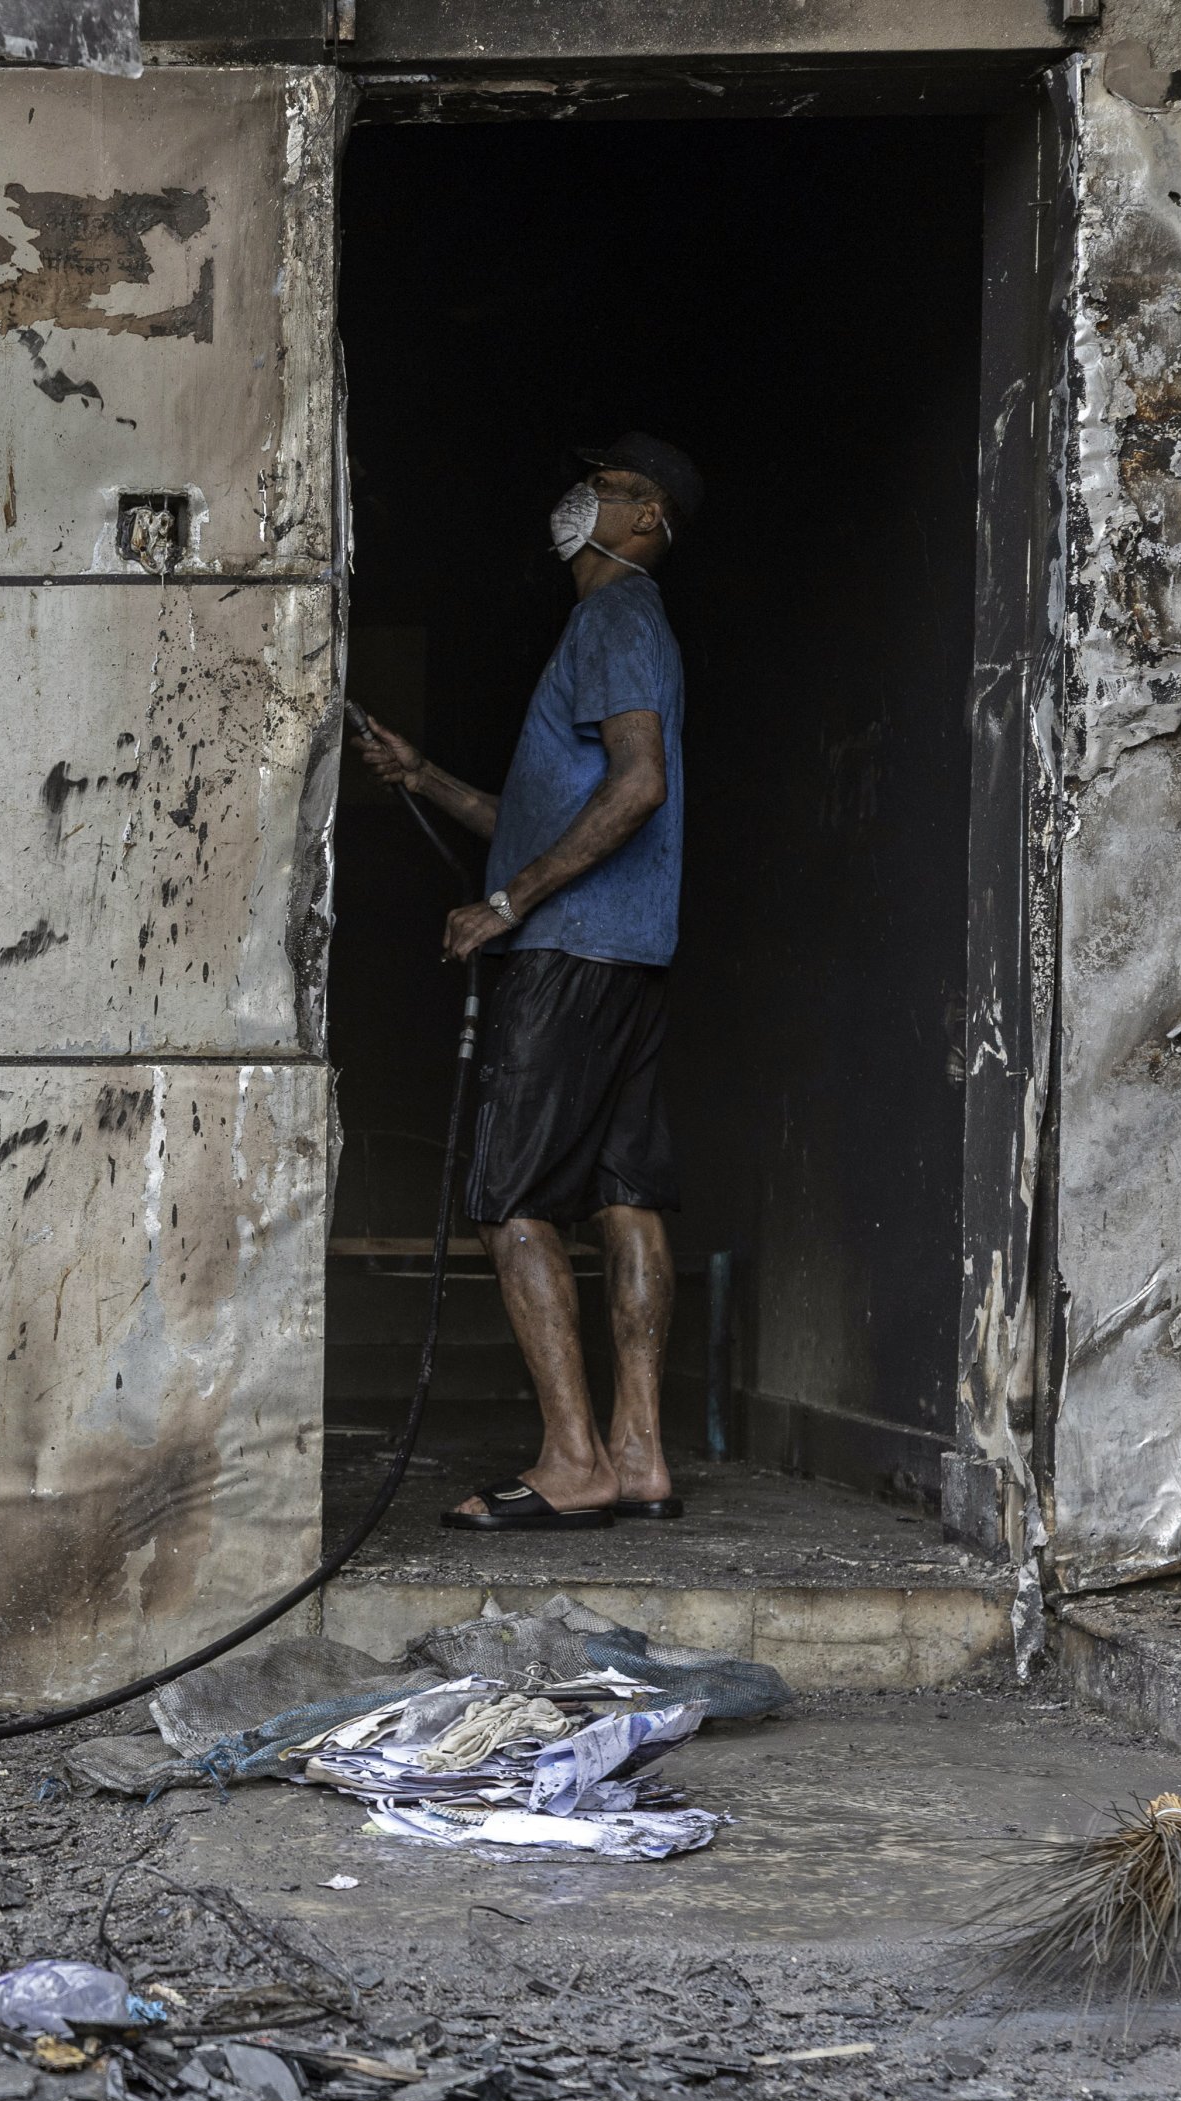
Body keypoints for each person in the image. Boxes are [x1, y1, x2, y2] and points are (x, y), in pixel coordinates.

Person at [351, 433, 700, 1532]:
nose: (582, 497)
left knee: (508, 1201)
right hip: (629, 949)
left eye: (608, 486)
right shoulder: (623, 627)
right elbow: (543, 823)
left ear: (647, 519)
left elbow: (635, 786)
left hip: (568, 954)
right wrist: (423, 776)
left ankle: (571, 1459)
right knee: (625, 1192)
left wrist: (509, 906)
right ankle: (637, 1455)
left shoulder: (612, 615)